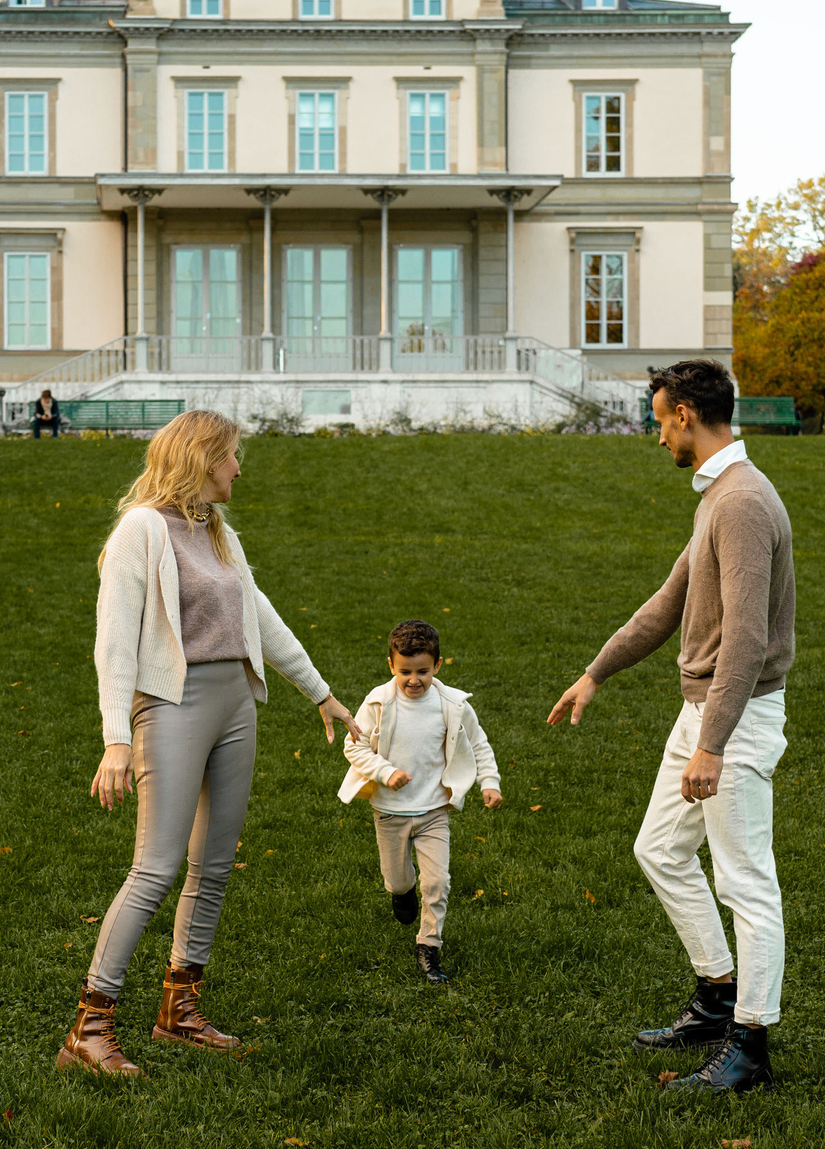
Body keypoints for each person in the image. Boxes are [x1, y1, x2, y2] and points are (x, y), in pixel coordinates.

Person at [61, 409, 356, 1076]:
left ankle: (179, 1012)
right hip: (171, 705)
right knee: (156, 866)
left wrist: (320, 691)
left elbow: (259, 613)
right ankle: (89, 1025)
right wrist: (115, 739)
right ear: (199, 457)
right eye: (230, 455)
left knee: (213, 864)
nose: (238, 468)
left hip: (235, 704)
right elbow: (113, 642)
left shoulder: (217, 530)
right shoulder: (141, 529)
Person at [547, 358, 797, 1094]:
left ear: (686, 414)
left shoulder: (744, 502)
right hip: (706, 710)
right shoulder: (719, 496)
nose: (658, 436)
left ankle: (750, 1045)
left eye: (661, 420)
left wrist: (714, 742)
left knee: (746, 882)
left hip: (736, 716)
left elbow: (747, 637)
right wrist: (596, 672)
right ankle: (718, 994)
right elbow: (668, 601)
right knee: (659, 848)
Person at [337, 619, 502, 985]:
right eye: (406, 671)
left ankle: (428, 946)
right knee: (397, 882)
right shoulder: (378, 701)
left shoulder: (452, 705)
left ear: (438, 666)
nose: (415, 680)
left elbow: (478, 743)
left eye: (423, 671)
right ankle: (402, 891)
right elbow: (355, 745)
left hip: (433, 812)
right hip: (390, 812)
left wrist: (489, 782)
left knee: (438, 882)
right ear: (391, 666)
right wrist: (384, 771)